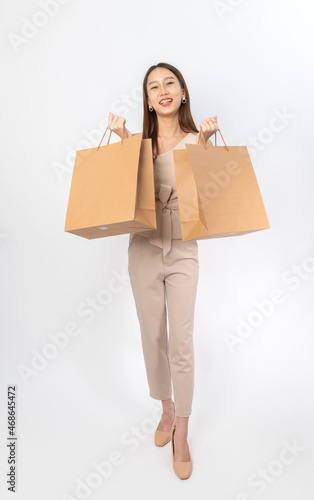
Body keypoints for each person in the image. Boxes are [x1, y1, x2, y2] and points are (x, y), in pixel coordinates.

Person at [107, 62, 218, 480]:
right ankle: (166, 410)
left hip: (183, 248)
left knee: (182, 340)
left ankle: (183, 434)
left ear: (183, 92)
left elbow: (212, 196)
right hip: (143, 248)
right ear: (148, 101)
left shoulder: (197, 139)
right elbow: (119, 192)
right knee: (152, 333)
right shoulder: (136, 143)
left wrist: (206, 144)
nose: (163, 90)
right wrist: (120, 139)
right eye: (154, 86)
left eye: (170, 82)